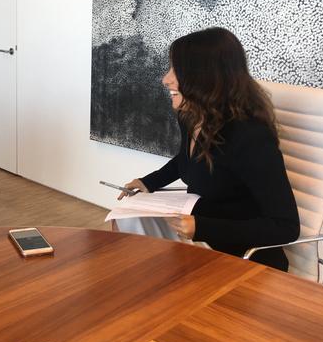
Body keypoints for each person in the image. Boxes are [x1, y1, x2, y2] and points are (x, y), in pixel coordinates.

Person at [116, 27, 300, 271]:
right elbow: (188, 158)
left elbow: (285, 227)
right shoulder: (191, 116)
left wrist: (201, 228)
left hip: (243, 260)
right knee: (128, 224)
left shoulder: (250, 137)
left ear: (205, 78)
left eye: (176, 70)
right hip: (198, 244)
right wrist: (148, 182)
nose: (166, 79)